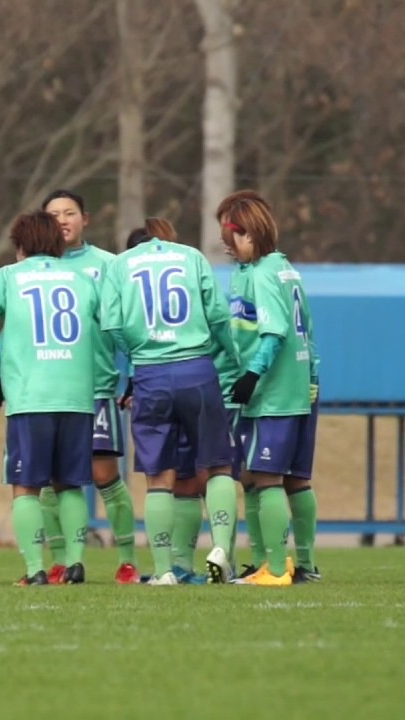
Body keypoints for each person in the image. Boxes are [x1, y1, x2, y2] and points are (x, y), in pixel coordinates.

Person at [0, 211, 101, 585]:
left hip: (31, 397)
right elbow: (112, 325)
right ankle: (74, 562)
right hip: (76, 395)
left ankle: (36, 568)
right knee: (70, 483)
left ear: (20, 246)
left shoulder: (9, 276)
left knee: (27, 486)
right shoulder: (82, 279)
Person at [100, 214, 240, 586]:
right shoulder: (192, 257)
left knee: (158, 478)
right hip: (197, 368)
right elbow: (217, 316)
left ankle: (164, 570)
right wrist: (236, 360)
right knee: (217, 466)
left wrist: (137, 356)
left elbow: (111, 324)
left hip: (150, 373)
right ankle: (222, 549)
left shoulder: (120, 263)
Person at [216, 191, 319, 588]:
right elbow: (308, 330)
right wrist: (312, 379)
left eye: (233, 239)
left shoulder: (261, 273)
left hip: (273, 392)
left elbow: (274, 333)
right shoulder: (287, 270)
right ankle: (292, 562)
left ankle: (276, 569)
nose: (231, 248)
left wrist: (251, 376)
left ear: (249, 234)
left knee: (265, 476)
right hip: (298, 387)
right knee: (288, 477)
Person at [41, 189, 140, 585]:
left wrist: (134, 372)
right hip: (46, 390)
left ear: (86, 219)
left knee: (104, 475)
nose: (62, 220)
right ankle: (62, 562)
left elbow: (128, 326)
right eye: (54, 214)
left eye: (70, 213)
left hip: (95, 387)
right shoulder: (32, 267)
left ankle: (128, 560)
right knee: (51, 479)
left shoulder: (109, 265)